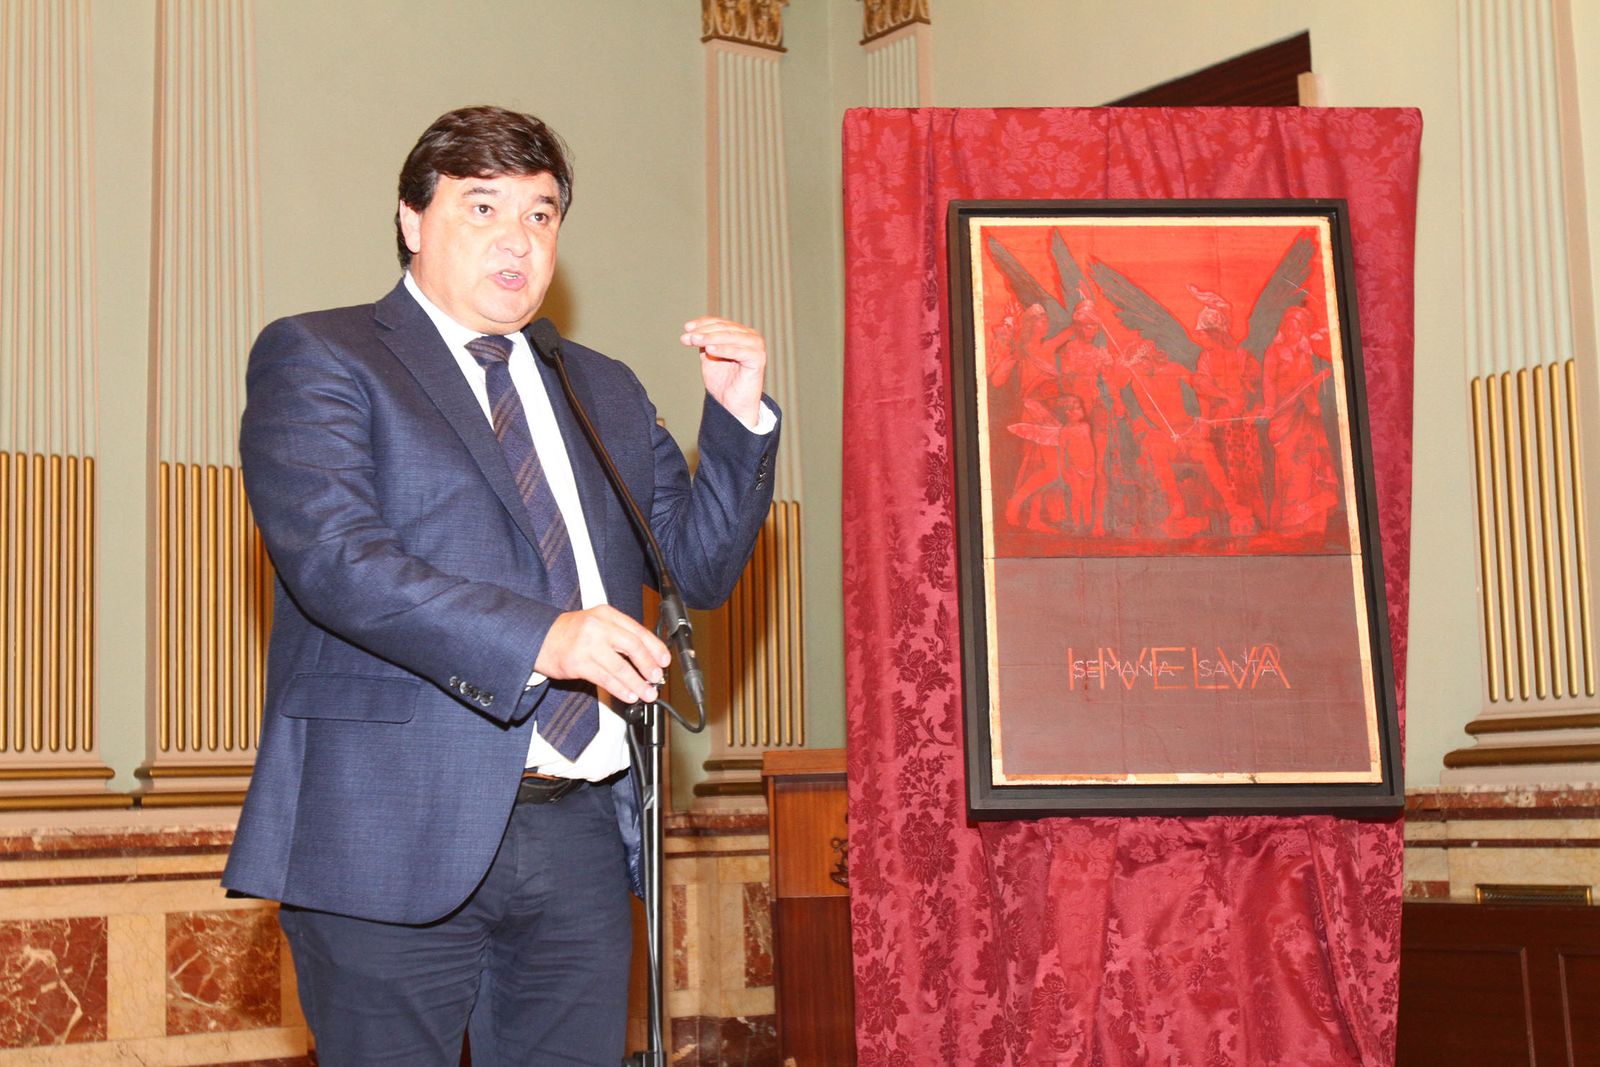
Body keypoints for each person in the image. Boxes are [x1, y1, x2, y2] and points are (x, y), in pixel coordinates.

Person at [221, 105, 779, 1066]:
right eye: (482, 208)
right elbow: (337, 563)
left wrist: (737, 425)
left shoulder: (597, 385)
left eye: (540, 214)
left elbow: (698, 568)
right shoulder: (323, 354)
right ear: (412, 217)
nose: (517, 240)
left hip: (580, 837)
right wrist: (545, 638)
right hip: (388, 832)